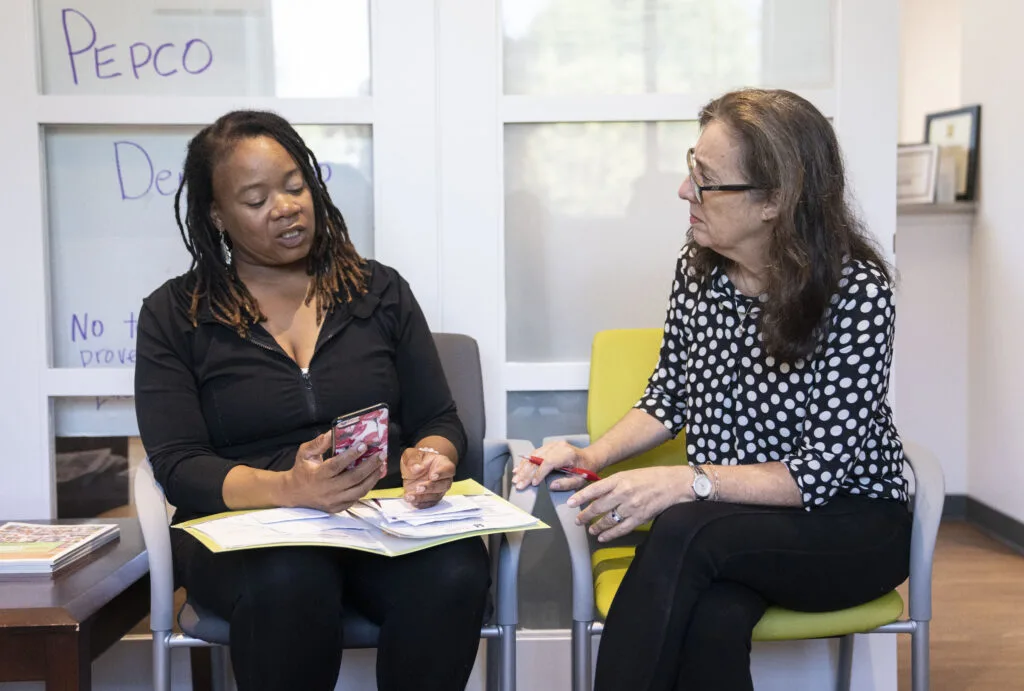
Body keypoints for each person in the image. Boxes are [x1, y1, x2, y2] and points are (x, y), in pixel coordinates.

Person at [513, 88, 911, 691]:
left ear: (775, 200)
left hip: (848, 525)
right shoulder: (700, 268)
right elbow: (669, 394)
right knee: (713, 619)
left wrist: (686, 482)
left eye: (706, 180)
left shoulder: (855, 294)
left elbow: (821, 474)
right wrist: (590, 456)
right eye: (689, 169)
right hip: (735, 525)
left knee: (682, 526)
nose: (683, 191)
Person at [135, 110, 489, 691]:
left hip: (377, 520)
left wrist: (433, 456)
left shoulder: (380, 292)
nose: (285, 206)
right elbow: (178, 465)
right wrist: (288, 491)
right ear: (216, 216)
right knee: (292, 578)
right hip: (248, 532)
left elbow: (437, 419)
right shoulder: (176, 316)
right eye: (255, 199)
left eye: (295, 185)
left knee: (455, 569)